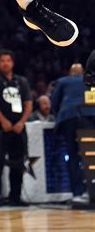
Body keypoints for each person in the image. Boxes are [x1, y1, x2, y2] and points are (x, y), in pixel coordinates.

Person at [0, 50, 33, 206]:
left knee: (18, 162)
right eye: (2, 60)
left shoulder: (21, 81)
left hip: (18, 126)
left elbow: (29, 103)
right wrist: (3, 121)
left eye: (8, 60)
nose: (5, 63)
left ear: (13, 63)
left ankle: (15, 196)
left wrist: (21, 122)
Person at [51, 63, 95, 200]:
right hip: (89, 117)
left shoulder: (62, 81)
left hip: (69, 118)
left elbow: (54, 102)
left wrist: (60, 115)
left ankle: (77, 193)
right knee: (91, 156)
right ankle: (91, 190)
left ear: (70, 73)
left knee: (73, 155)